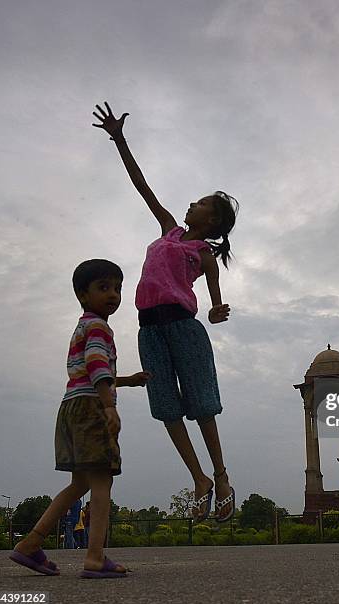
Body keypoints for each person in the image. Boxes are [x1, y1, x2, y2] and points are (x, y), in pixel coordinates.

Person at [92, 102, 238, 523]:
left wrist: (216, 311)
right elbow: (143, 187)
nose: (191, 205)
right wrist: (120, 140)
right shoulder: (169, 229)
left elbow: (213, 300)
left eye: (200, 204)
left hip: (184, 328)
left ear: (212, 222)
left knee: (202, 405)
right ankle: (200, 479)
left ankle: (222, 475)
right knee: (167, 410)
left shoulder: (203, 254)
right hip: (149, 330)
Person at [10, 259, 149, 578]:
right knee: (102, 480)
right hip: (91, 408)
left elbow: (89, 369)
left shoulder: (84, 325)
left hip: (71, 407)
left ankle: (30, 544)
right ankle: (95, 556)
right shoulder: (99, 327)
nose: (113, 294)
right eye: (104, 287)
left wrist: (127, 380)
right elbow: (98, 366)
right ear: (82, 294)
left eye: (117, 288)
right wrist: (109, 405)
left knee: (80, 483)